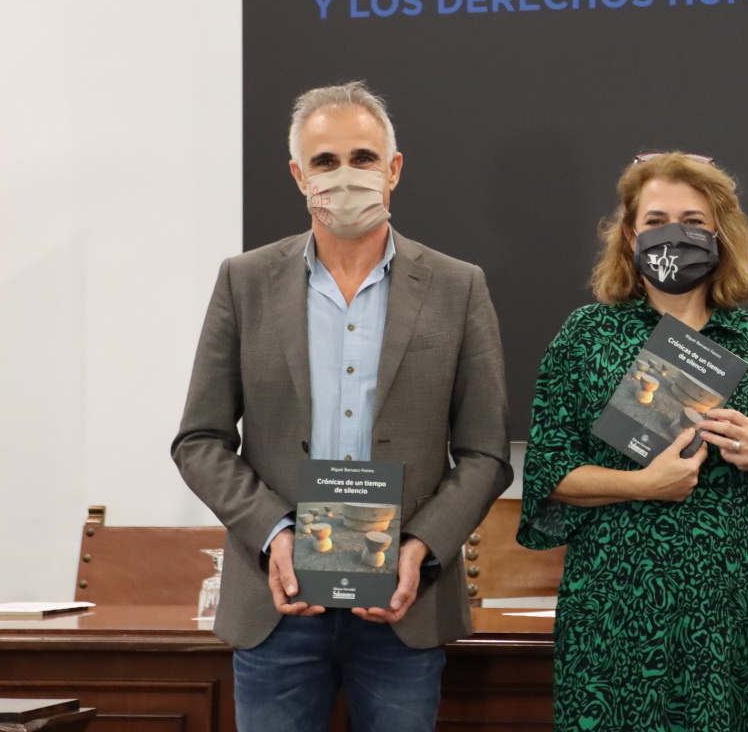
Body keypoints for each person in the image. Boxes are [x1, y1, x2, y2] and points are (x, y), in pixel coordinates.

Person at [172, 81, 511, 732]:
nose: (345, 176)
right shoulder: (244, 282)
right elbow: (200, 440)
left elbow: (485, 452)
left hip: (405, 604)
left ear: (394, 169)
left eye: (362, 157)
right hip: (278, 601)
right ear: (299, 176)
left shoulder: (457, 287)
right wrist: (276, 535)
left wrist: (420, 546)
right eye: (325, 162)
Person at [517, 152, 748, 732]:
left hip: (725, 604)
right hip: (613, 602)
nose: (674, 234)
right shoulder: (586, 335)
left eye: (693, 221)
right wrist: (643, 484)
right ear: (631, 234)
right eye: (657, 220)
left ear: (719, 235)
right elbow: (548, 474)